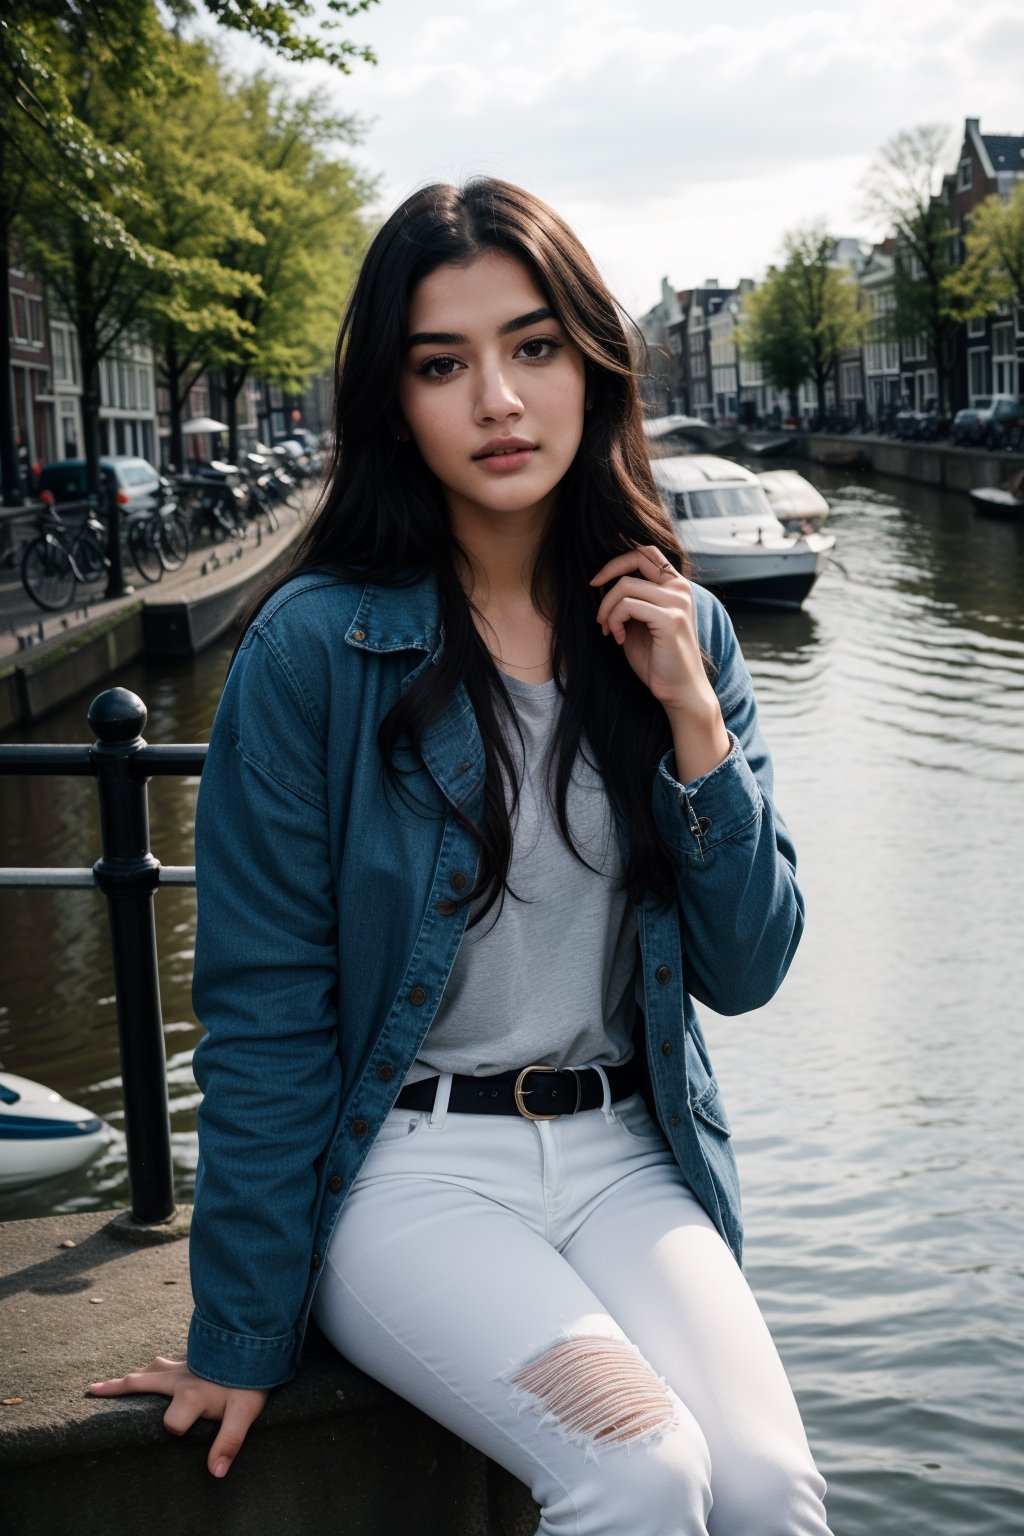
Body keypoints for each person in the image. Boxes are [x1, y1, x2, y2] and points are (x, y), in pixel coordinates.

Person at [91, 179, 832, 1535]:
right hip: (413, 1177)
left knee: (771, 1490)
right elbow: (262, 1014)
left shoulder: (682, 631)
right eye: (445, 364)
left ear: (591, 368)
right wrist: (239, 1329)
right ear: (397, 401)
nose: (498, 398)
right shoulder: (314, 654)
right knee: (638, 1468)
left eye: (533, 347)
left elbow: (752, 967)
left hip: (629, 1157)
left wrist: (693, 724)